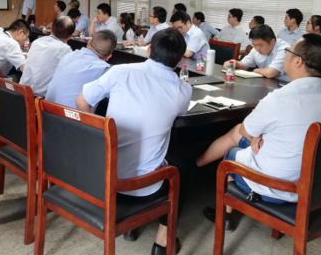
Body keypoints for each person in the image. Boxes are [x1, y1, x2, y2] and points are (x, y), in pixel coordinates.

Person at [201, 34, 321, 231]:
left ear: (298, 61)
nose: (286, 55)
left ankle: (224, 213)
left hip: (278, 188)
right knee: (247, 136)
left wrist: (256, 135)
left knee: (232, 154)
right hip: (315, 186)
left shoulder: (281, 98)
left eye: (288, 51)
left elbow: (244, 130)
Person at [77, 29, 192, 254]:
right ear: (180, 60)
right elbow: (179, 114)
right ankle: (162, 241)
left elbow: (82, 102)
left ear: (149, 49)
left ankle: (131, 227)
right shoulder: (182, 90)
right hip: (142, 187)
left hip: (101, 175)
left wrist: (98, 142)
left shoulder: (120, 71)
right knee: (182, 168)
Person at [45, 30, 116, 108]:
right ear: (109, 56)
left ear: (88, 43)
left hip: (45, 111)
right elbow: (116, 96)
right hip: (71, 115)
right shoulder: (104, 69)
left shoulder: (67, 56)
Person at [20, 16, 74, 97]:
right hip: (40, 99)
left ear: (51, 29)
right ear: (70, 36)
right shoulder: (66, 50)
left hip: (21, 92)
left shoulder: (36, 42)